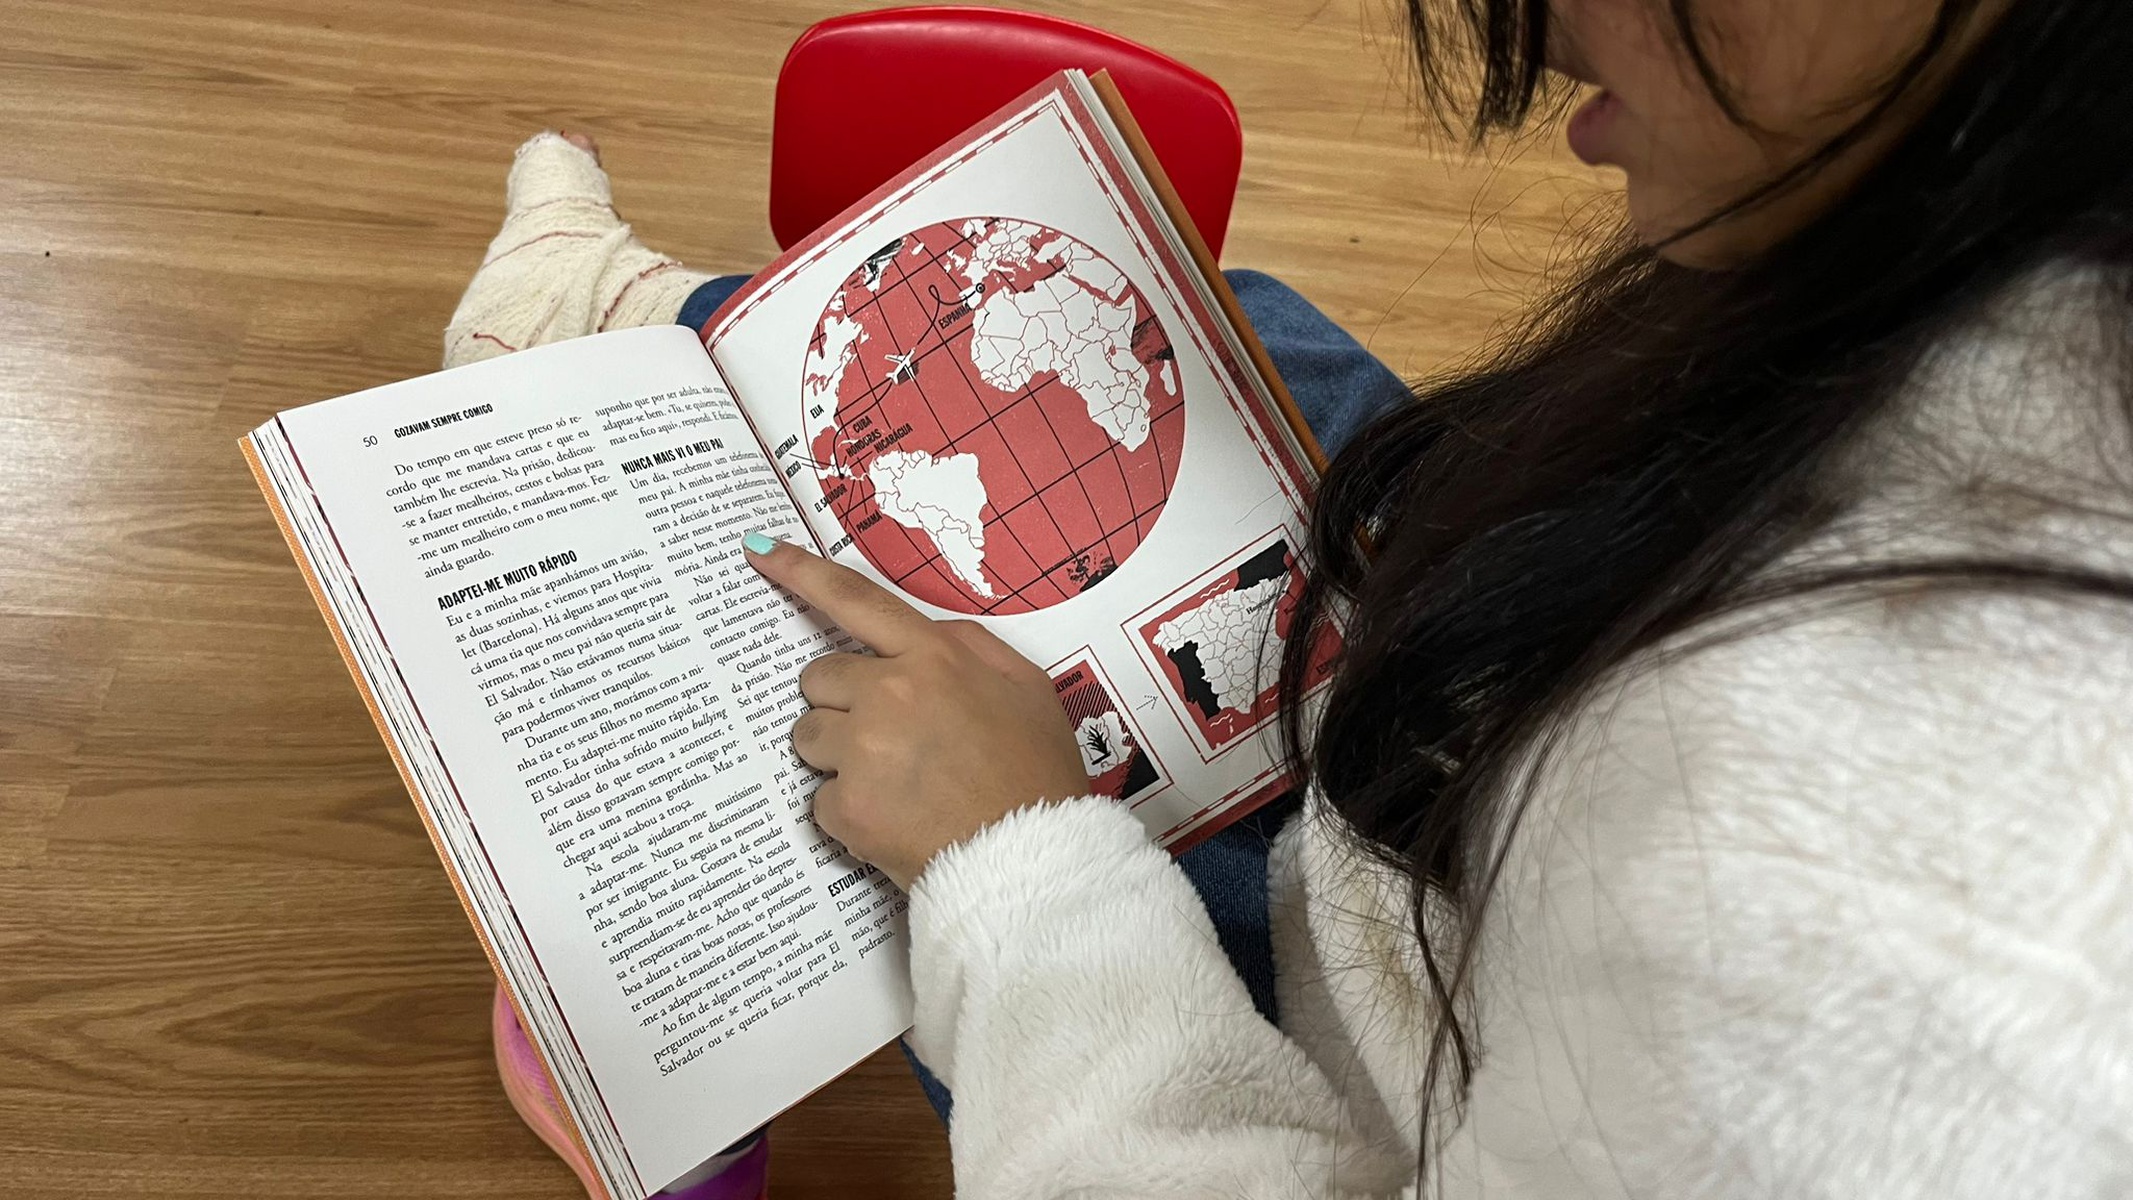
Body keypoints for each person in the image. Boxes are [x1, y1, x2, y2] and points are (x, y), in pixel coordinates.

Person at [463, 0, 2133, 1194]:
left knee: (772, 693)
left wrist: (1013, 865)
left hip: (1315, 1030)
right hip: (1444, 790)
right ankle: (635, 313)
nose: (1544, 38)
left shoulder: (1909, 975)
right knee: (1252, 324)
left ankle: (649, 1026)